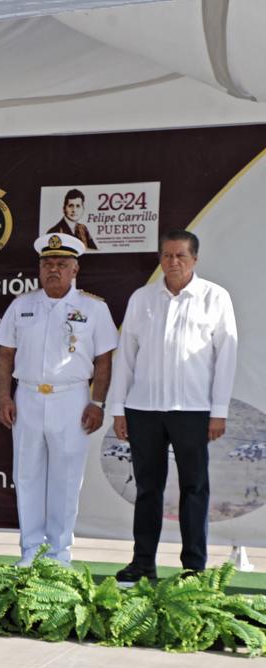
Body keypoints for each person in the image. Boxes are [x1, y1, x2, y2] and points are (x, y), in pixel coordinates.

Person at [109, 229, 237, 581]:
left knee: (194, 488)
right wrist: (118, 408)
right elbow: (126, 358)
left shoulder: (215, 298)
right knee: (148, 488)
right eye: (167, 255)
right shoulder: (142, 298)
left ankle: (193, 566)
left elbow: (226, 358)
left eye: (181, 255)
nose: (173, 262)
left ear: (195, 258)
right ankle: (142, 562)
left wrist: (219, 411)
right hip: (144, 410)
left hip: (193, 411)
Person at [0, 234, 117, 566]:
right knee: (27, 476)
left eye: (62, 264)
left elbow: (104, 360)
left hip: (72, 399)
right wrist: (4, 396)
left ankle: (59, 554)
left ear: (75, 269)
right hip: (29, 398)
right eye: (47, 264)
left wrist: (98, 403)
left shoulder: (94, 308)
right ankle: (30, 551)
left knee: (65, 480)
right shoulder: (22, 306)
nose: (53, 270)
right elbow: (5, 355)